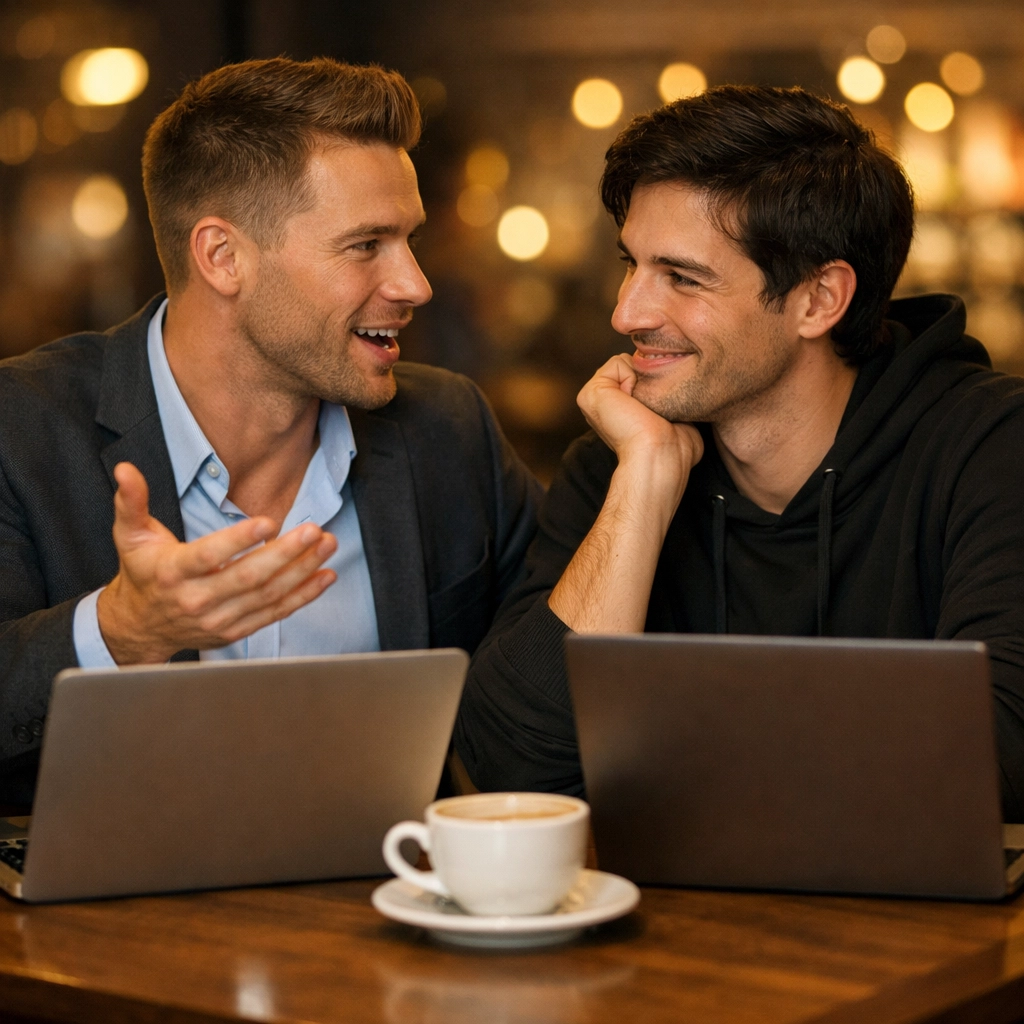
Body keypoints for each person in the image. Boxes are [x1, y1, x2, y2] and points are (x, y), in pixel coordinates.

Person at [455, 85, 1024, 821]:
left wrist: (651, 747)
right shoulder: (621, 463)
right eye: (632, 264)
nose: (627, 312)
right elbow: (513, 772)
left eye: (683, 278)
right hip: (666, 925)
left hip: (920, 931)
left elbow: (1001, 753)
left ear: (819, 300)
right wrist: (645, 489)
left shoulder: (989, 446)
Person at [0, 58, 540, 804]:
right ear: (223, 257)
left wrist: (643, 468)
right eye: (365, 245)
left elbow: (548, 685)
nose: (414, 283)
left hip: (382, 903)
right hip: (120, 917)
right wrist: (123, 629)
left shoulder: (446, 431)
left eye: (409, 240)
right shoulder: (18, 428)